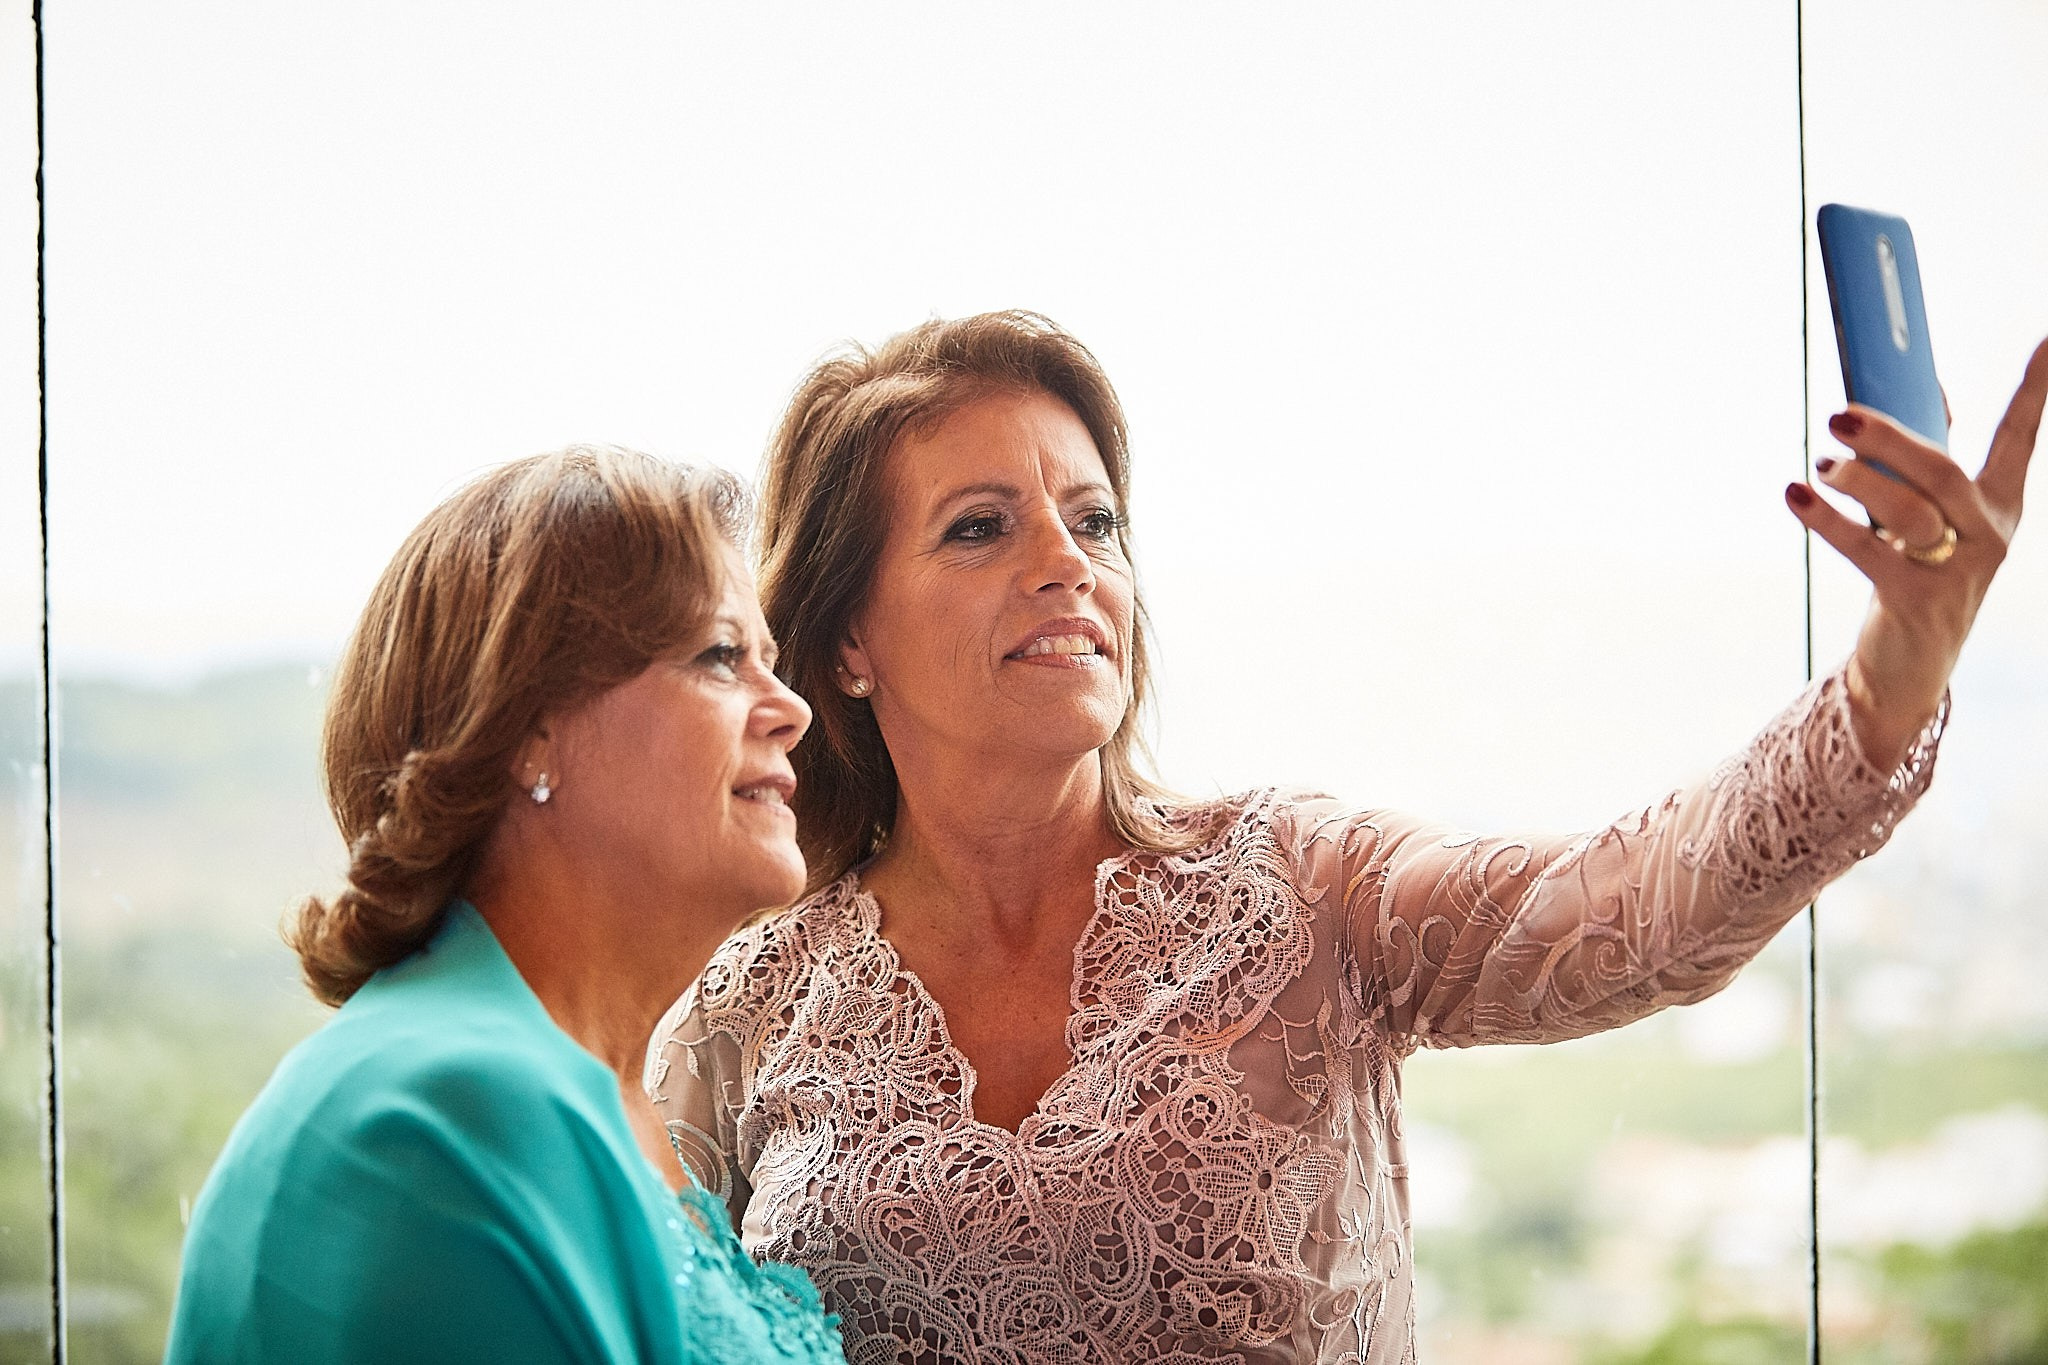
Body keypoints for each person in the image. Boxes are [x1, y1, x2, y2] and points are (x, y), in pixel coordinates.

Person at [647, 312, 2046, 1364]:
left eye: (1095, 519)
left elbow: (1633, 909)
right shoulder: (746, 1004)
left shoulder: (1299, 888)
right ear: (842, 641)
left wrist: (1891, 675)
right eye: (979, 527)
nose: (1067, 560)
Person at [166, 448, 846, 1364]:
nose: (791, 707)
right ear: (528, 730)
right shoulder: (444, 1119)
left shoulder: (599, 1096)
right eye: (722, 656)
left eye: (770, 660)